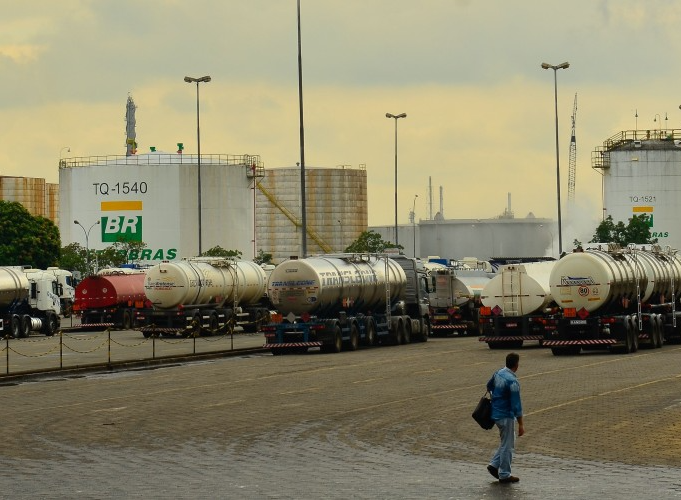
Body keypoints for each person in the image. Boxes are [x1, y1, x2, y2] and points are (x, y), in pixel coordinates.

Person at [485, 352, 524, 483]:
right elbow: (516, 405)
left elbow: (489, 386)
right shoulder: (512, 381)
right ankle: (505, 474)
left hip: (495, 414)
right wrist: (521, 424)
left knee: (506, 441)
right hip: (506, 416)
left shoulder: (498, 373)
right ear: (516, 365)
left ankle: (494, 465)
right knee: (508, 445)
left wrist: (495, 397)